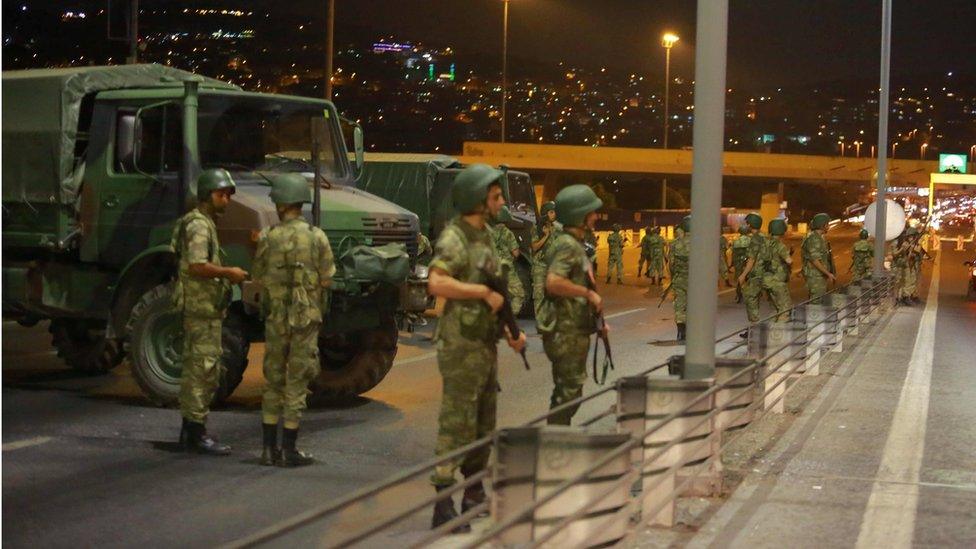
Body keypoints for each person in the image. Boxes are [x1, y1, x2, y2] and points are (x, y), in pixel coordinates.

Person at [426, 164, 526, 531]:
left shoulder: (485, 235)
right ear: (479, 200)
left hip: (484, 344)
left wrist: (511, 333)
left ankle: (473, 493)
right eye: (496, 196)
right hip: (460, 345)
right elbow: (437, 283)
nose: (501, 202)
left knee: (484, 423)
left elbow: (496, 288)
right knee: (457, 422)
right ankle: (443, 502)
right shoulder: (456, 237)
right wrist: (481, 293)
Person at [252, 174, 335, 467]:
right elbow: (327, 279)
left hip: (276, 319)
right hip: (305, 320)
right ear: (301, 203)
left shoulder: (268, 237)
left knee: (272, 379)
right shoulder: (317, 237)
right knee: (297, 382)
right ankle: (289, 449)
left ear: (280, 204)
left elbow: (258, 277)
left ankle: (266, 449)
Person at [170, 169, 248, 456]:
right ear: (206, 195)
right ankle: (195, 434)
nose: (226, 200)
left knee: (201, 368)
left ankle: (191, 430)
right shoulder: (200, 226)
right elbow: (196, 265)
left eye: (228, 195)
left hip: (205, 309)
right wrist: (229, 272)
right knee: (201, 370)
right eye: (221, 194)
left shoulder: (204, 223)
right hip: (200, 309)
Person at [537, 185, 607, 426]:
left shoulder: (575, 244)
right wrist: (588, 294)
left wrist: (596, 323)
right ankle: (554, 442)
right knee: (568, 393)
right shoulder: (567, 244)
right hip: (564, 331)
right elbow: (554, 283)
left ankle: (556, 438)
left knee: (570, 391)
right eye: (592, 212)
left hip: (574, 328)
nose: (596, 216)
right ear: (580, 215)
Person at [489, 205, 526, 315]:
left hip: (491, 268)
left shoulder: (488, 232)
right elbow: (516, 253)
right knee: (519, 294)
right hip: (506, 269)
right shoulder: (508, 233)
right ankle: (510, 317)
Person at [758, 219, 793, 321]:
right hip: (777, 282)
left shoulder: (764, 243)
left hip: (766, 280)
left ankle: (769, 330)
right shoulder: (779, 245)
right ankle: (779, 334)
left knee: (775, 309)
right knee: (784, 310)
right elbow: (789, 261)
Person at [531, 201, 560, 317]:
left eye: (554, 212)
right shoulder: (536, 228)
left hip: (553, 266)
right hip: (539, 265)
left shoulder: (557, 228)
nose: (554, 215)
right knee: (539, 295)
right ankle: (540, 322)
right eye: (551, 212)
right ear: (545, 213)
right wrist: (546, 235)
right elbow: (534, 247)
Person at [736, 213, 765, 323]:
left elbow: (751, 259)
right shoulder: (764, 237)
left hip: (755, 274)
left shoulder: (755, 239)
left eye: (747, 223)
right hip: (764, 273)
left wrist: (743, 275)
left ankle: (754, 328)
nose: (746, 225)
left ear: (751, 224)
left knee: (750, 299)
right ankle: (752, 329)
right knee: (755, 299)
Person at [801, 213, 835, 300]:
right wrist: (828, 274)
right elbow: (815, 260)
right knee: (817, 303)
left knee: (820, 301)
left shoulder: (818, 237)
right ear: (822, 226)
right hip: (815, 277)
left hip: (818, 276)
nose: (828, 226)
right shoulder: (814, 239)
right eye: (827, 224)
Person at [668, 216, 691, 342]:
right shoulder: (701, 243)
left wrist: (674, 277)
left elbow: (671, 264)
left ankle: (681, 331)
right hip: (696, 282)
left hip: (679, 279)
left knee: (679, 306)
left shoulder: (675, 243)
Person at [731, 225, 753, 303]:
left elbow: (733, 253)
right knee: (750, 278)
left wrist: (732, 263)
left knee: (739, 278)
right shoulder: (751, 240)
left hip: (738, 262)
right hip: (748, 261)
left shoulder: (736, 241)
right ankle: (750, 295)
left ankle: (739, 294)